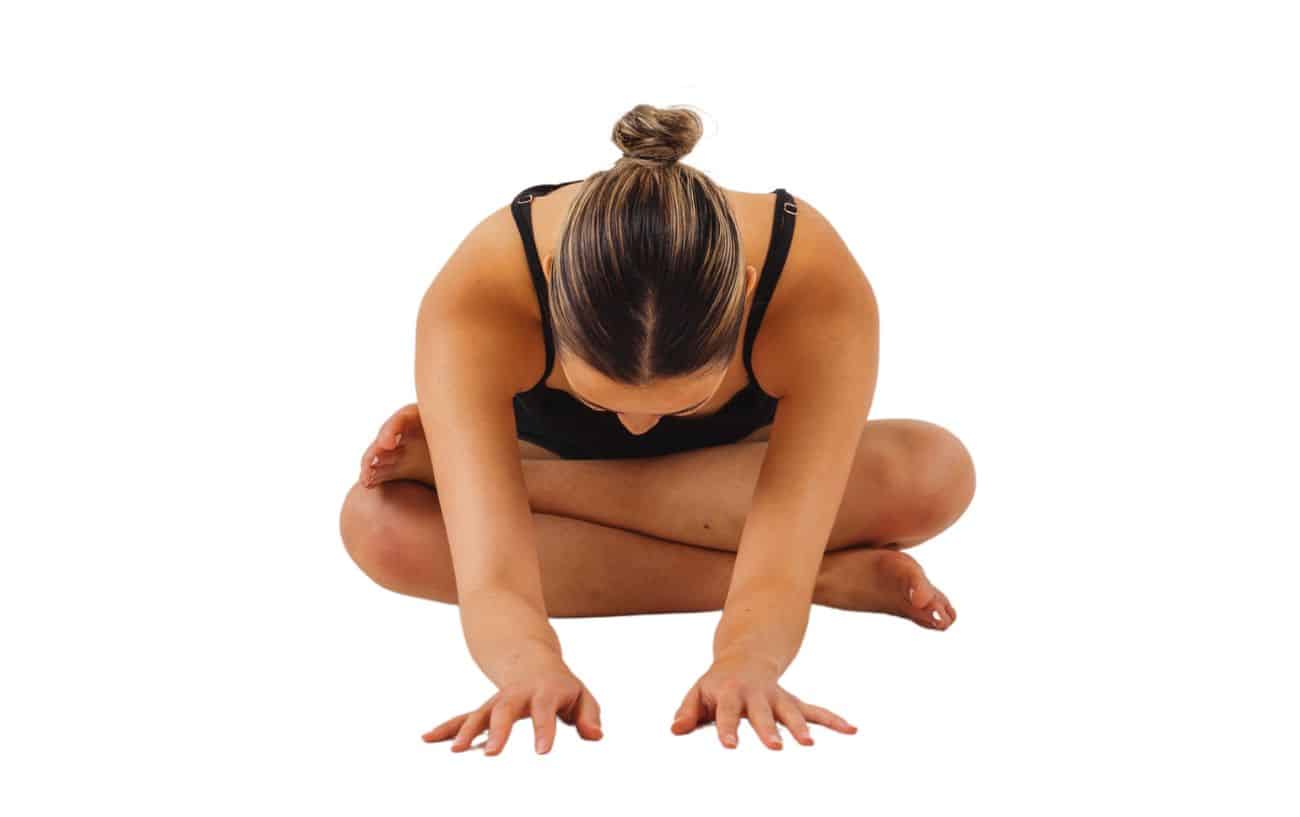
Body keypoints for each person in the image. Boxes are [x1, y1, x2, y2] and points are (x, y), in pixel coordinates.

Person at [338, 104, 976, 755]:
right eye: (603, 398)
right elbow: (494, 576)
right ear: (553, 288)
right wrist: (527, 661)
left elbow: (784, 531)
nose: (639, 427)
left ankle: (531, 483)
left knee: (934, 473)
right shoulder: (480, 292)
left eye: (675, 404)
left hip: (730, 473)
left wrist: (749, 657)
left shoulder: (811, 282)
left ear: (748, 293)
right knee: (378, 525)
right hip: (714, 506)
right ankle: (832, 576)